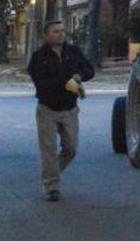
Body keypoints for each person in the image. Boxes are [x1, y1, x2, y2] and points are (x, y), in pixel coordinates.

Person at [27, 19, 94, 201]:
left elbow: (89, 69)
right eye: (56, 31)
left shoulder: (73, 52)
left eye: (62, 31)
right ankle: (52, 187)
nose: (60, 34)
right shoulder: (38, 57)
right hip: (47, 109)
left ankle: (52, 172)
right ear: (46, 35)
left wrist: (80, 76)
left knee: (71, 148)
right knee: (48, 149)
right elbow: (41, 83)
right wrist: (66, 82)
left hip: (70, 109)